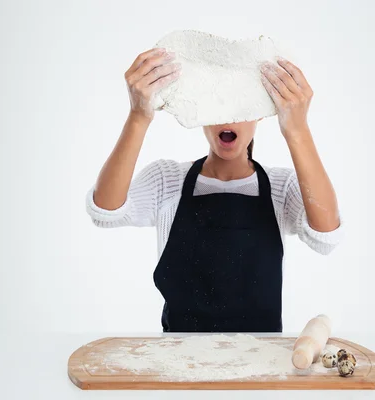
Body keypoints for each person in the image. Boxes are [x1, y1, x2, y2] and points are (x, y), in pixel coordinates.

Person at [86, 47, 343, 333]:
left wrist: (297, 130)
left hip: (261, 363)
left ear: (260, 114)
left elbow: (327, 237)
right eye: (216, 106)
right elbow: (104, 212)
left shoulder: (282, 188)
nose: (227, 118)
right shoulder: (165, 180)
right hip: (179, 362)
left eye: (241, 107)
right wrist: (138, 116)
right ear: (199, 115)